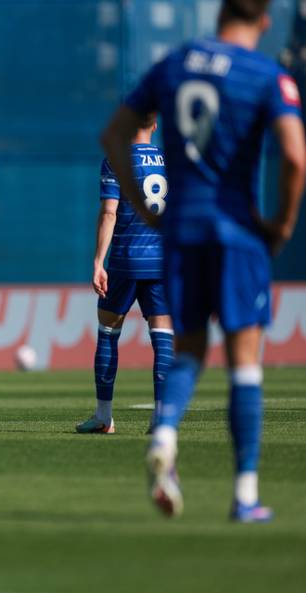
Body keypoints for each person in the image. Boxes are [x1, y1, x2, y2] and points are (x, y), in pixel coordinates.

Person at [101, 0, 306, 522]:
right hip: (237, 233)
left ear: (219, 15)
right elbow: (295, 156)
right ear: (262, 20)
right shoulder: (266, 73)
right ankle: (244, 496)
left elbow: (114, 135)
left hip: (181, 232)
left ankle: (165, 435)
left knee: (190, 350)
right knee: (244, 365)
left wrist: (145, 205)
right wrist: (281, 225)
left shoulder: (174, 65)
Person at [77, 115, 174, 435]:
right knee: (163, 340)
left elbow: (109, 212)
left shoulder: (116, 160)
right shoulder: (169, 160)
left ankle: (104, 416)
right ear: (155, 125)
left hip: (124, 260)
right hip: (162, 260)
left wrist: (97, 262)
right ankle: (162, 418)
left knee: (107, 333)